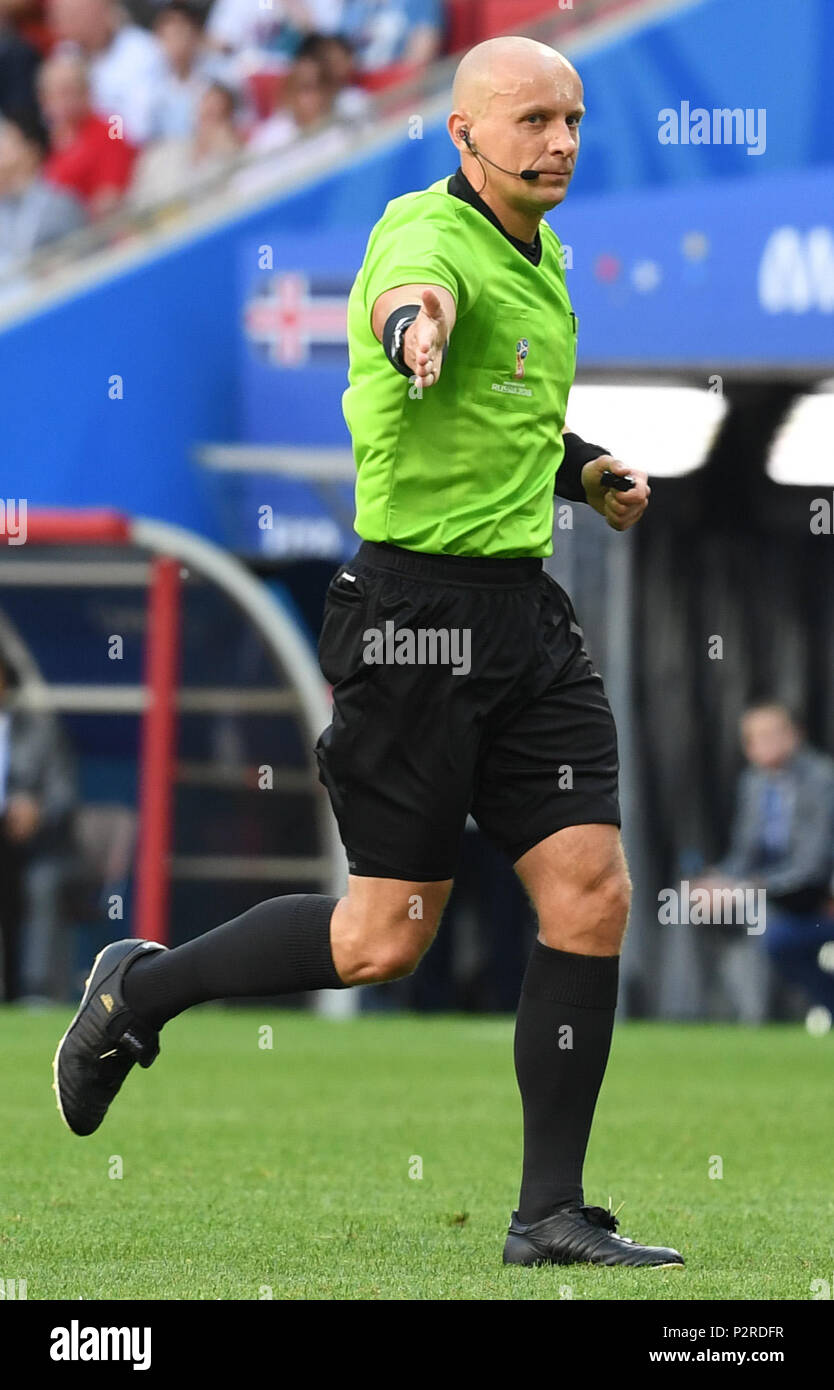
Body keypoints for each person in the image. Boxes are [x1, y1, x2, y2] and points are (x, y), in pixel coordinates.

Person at [53, 35, 684, 1272]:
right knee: (382, 937)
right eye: (531, 119)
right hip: (413, 626)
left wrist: (579, 466)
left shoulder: (542, 252)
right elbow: (417, 301)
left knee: (591, 893)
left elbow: (506, 410)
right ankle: (140, 989)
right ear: (462, 133)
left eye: (571, 118)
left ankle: (549, 1213)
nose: (558, 140)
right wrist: (414, 334)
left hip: (522, 615)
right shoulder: (428, 240)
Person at [697, 702, 834, 1025]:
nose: (765, 743)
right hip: (783, 900)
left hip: (821, 898)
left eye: (773, 734)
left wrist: (746, 888)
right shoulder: (755, 784)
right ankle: (744, 1015)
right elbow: (744, 855)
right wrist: (719, 880)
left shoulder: (822, 780)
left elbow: (812, 864)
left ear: (794, 735)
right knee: (691, 903)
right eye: (755, 737)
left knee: (777, 937)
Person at [0, 654, 77, 1002]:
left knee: (41, 883)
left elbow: (64, 795)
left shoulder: (41, 731)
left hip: (36, 847)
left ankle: (37, 993)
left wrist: (37, 812)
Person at [47, 0, 169, 144]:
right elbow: (54, 121)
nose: (65, 21)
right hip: (81, 150)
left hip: (132, 151)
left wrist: (101, 138)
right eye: (62, 14)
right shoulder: (64, 52)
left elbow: (139, 128)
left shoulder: (142, 51)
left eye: (74, 13)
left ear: (102, 10)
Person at [39, 51, 137, 215]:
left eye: (67, 91)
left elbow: (111, 197)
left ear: (86, 92)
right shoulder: (56, 144)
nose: (58, 101)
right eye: (51, 94)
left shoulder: (110, 129)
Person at [128, 78, 241, 208]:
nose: (209, 118)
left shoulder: (232, 157)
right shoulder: (160, 157)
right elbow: (138, 206)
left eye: (218, 115)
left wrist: (226, 152)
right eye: (205, 110)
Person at [0, 107, 84, 277]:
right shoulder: (5, 211)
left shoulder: (60, 202)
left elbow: (85, 258)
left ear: (30, 151)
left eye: (4, 146)